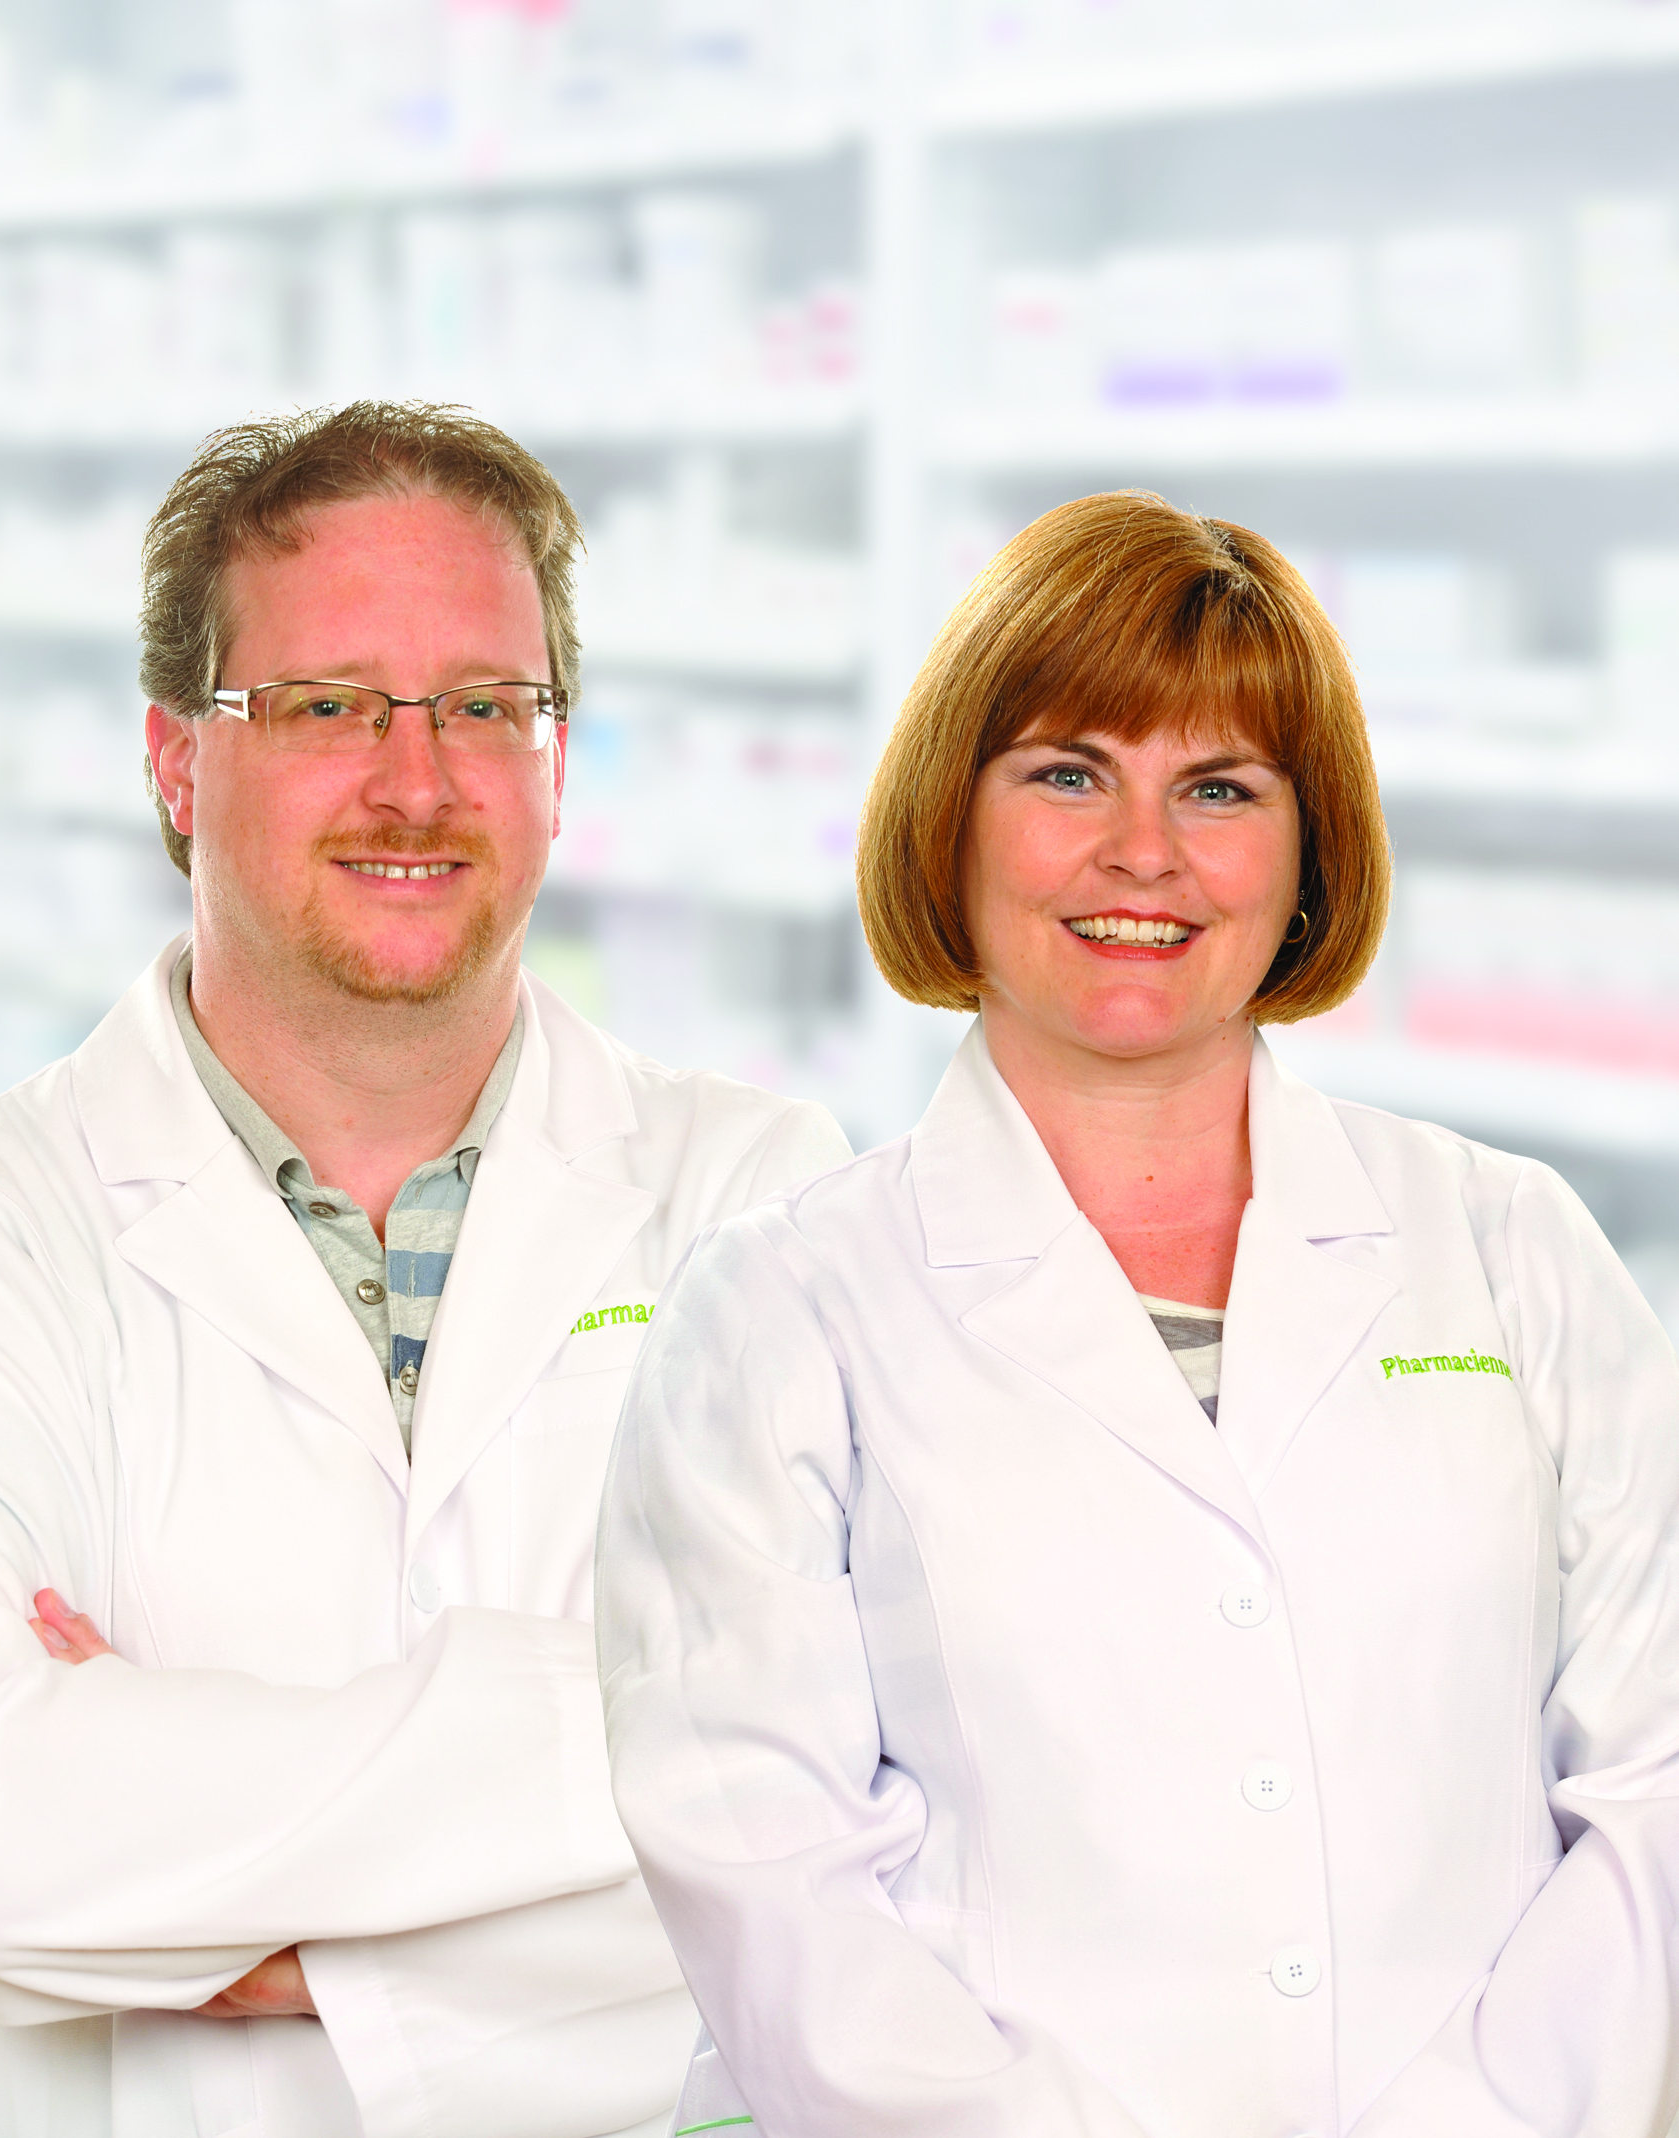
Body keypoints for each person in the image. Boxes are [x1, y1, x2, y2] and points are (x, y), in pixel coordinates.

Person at [0, 401, 850, 2138]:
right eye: (325, 705)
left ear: (558, 759)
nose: (416, 780)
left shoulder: (755, 1197)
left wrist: (231, 1886)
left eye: (485, 706)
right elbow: (3, 1842)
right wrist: (657, 1734)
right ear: (173, 760)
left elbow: (861, 1829)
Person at [596, 490, 1679, 2138]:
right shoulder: (777, 1312)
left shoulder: (1509, 1248)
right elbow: (772, 1889)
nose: (1142, 852)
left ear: (1306, 855)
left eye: (1219, 787)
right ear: (949, 820)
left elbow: (1654, 1780)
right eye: (1066, 772)